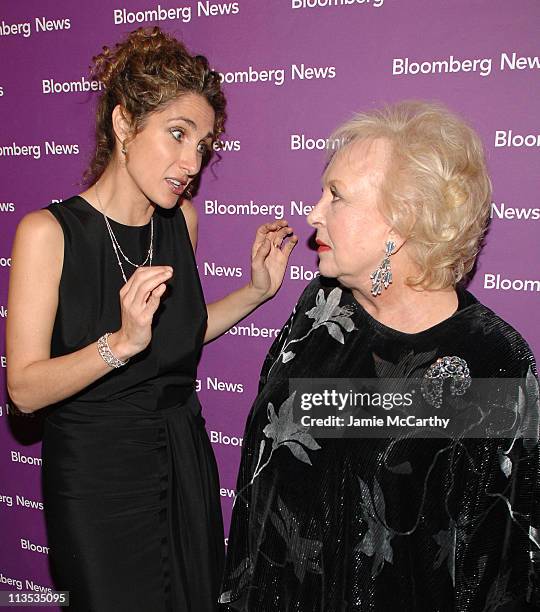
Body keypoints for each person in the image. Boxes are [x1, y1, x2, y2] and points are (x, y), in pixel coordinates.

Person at [6, 27, 297, 612]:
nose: (191, 162)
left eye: (202, 144)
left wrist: (256, 293)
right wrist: (118, 344)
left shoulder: (179, 223)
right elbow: (25, 391)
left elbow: (176, 338)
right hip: (98, 475)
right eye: (177, 134)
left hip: (182, 456)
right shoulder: (49, 233)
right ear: (122, 125)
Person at [219, 101, 539, 611]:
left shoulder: (490, 360)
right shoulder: (321, 312)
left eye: (336, 197)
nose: (313, 213)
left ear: (400, 223)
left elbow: (498, 568)